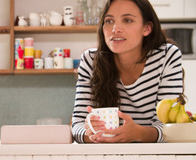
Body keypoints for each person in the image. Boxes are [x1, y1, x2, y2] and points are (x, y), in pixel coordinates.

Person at [71, 0, 183, 143]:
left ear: (147, 28)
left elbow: (170, 127)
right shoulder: (90, 60)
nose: (115, 29)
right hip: (104, 156)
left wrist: (138, 133)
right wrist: (92, 135)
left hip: (154, 157)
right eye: (109, 21)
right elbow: (77, 125)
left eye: (128, 20)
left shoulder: (167, 56)